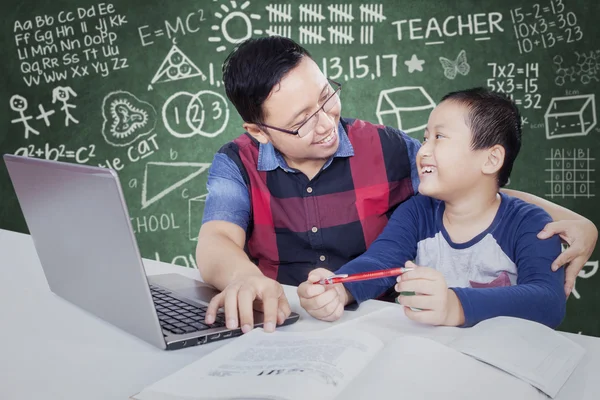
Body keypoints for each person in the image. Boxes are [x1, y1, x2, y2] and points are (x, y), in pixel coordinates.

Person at [196, 36, 597, 333]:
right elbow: (216, 240)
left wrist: (577, 222)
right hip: (278, 325)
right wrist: (245, 278)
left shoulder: (388, 148)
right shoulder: (236, 161)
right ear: (259, 131)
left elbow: (472, 189)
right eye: (302, 121)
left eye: (326, 97)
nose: (325, 123)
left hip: (381, 329)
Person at [298, 88, 566, 328]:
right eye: (425, 138)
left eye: (439, 137)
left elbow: (548, 301)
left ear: (491, 159)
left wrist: (455, 306)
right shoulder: (417, 212)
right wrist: (341, 288)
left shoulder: (530, 223)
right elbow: (380, 261)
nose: (423, 150)